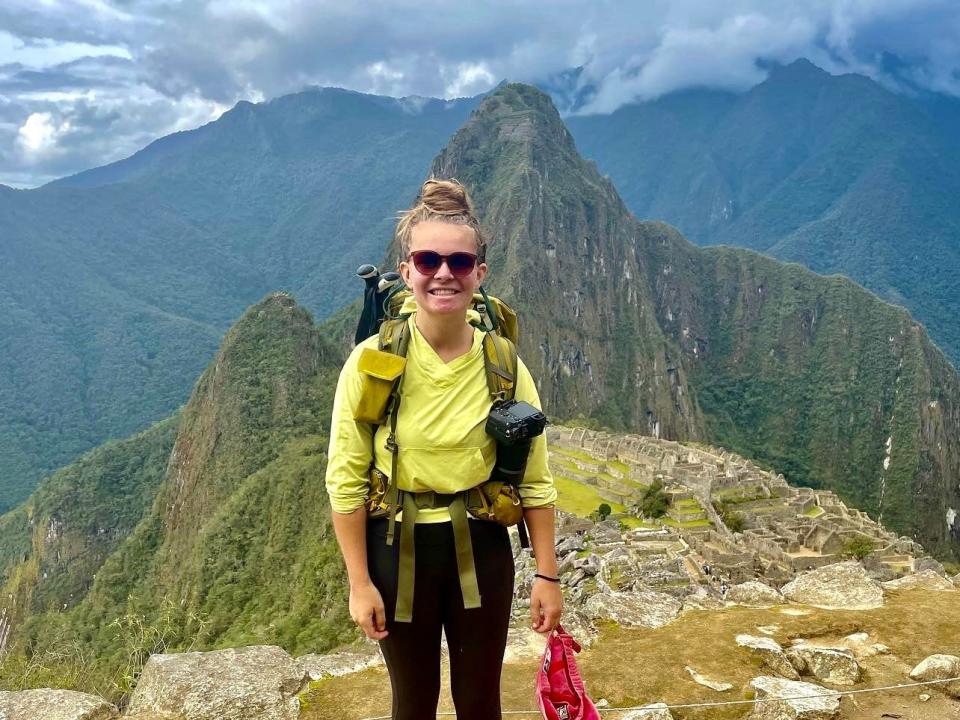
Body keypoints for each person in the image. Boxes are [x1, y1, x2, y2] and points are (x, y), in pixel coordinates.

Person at [325, 178, 562, 720]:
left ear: (479, 272)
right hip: (395, 550)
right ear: (406, 271)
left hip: (481, 546)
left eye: (459, 261)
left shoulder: (504, 364)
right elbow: (345, 479)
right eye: (427, 259)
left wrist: (546, 576)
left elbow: (536, 479)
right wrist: (360, 583)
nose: (443, 273)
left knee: (481, 701)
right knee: (413, 704)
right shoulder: (370, 362)